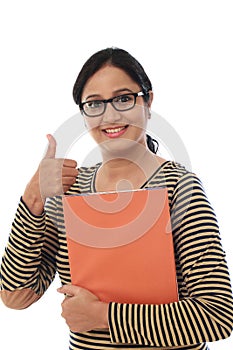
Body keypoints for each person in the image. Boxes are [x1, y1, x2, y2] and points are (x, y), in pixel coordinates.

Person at [0, 47, 233, 350]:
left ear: (148, 101)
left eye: (124, 98)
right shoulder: (68, 191)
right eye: (94, 104)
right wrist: (33, 198)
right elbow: (16, 296)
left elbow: (217, 315)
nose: (110, 115)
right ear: (83, 114)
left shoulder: (180, 186)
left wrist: (103, 316)